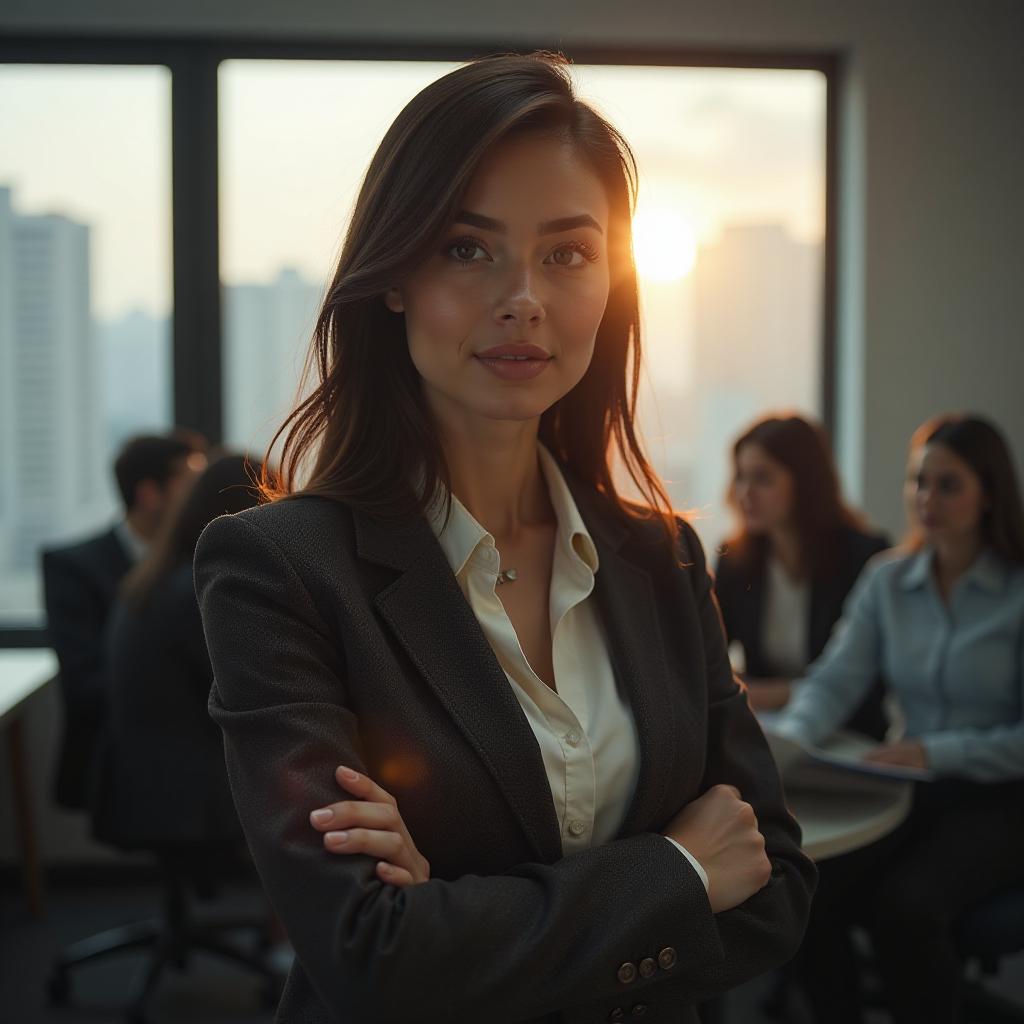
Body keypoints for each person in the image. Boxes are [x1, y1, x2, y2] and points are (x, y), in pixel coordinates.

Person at [194, 53, 815, 1024]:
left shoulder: (662, 557)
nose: (522, 296)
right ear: (394, 274)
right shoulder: (279, 570)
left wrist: (457, 916)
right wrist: (678, 869)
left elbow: (774, 887)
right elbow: (368, 954)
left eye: (567, 253)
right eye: (466, 248)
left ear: (612, 283)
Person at [772, 413, 1024, 1024]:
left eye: (948, 485)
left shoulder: (1017, 591)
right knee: (805, 893)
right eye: (918, 482)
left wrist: (937, 752)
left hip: (1000, 796)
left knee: (908, 909)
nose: (926, 500)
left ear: (989, 492)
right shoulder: (887, 580)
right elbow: (832, 682)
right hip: (912, 790)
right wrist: (786, 746)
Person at [93, 454, 259, 854]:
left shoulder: (160, 576)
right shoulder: (199, 590)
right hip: (191, 789)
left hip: (150, 782)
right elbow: (246, 690)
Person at [42, 431, 207, 809]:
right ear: (150, 494)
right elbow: (84, 684)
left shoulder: (200, 561)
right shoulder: (75, 567)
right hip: (122, 753)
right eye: (190, 484)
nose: (200, 497)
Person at [714, 414, 890, 736]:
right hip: (761, 726)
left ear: (805, 482)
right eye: (740, 477)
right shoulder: (735, 561)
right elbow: (708, 661)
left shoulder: (864, 557)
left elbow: (867, 681)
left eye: (762, 478)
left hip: (846, 732)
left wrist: (766, 693)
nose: (744, 493)